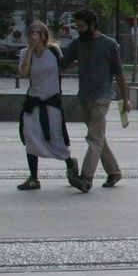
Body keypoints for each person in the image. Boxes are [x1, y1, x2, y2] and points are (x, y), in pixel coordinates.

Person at [59, 9, 129, 192]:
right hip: (84, 97)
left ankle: (86, 178)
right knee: (98, 138)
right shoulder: (77, 44)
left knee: (94, 138)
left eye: (82, 26)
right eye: (77, 26)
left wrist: (125, 99)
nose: (79, 30)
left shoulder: (110, 44)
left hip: (102, 97)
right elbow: (63, 63)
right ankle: (114, 172)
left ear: (92, 25)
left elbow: (119, 74)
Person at [16, 22, 81, 191]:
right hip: (33, 101)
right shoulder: (25, 53)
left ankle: (70, 164)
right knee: (31, 138)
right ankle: (33, 178)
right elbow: (24, 72)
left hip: (51, 101)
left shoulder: (53, 51)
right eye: (32, 32)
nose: (34, 35)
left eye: (38, 32)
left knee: (55, 137)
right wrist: (31, 49)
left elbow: (63, 66)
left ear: (44, 35)